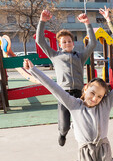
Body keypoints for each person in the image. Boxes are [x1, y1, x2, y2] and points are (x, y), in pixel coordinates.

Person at [36, 10, 96, 147]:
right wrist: (42, 21)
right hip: (63, 93)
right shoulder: (54, 55)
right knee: (64, 125)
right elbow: (40, 40)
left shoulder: (80, 57)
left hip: (79, 93)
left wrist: (87, 23)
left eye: (69, 41)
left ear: (73, 43)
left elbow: (92, 44)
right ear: (60, 45)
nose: (67, 43)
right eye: (64, 42)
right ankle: (62, 133)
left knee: (82, 120)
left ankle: (84, 139)